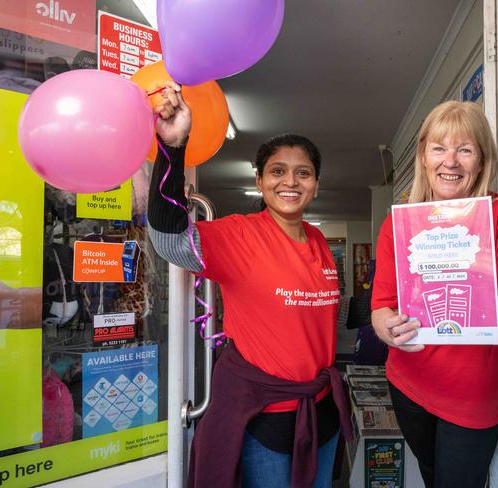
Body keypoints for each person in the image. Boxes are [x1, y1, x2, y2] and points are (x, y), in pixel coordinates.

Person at [147, 82, 351, 488]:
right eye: (277, 171)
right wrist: (173, 146)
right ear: (259, 180)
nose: (290, 181)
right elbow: (168, 237)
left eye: (303, 173)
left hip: (322, 413)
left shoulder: (319, 242)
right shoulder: (240, 235)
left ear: (316, 185)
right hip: (266, 418)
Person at [370, 100, 498, 488]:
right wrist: (386, 327)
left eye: (465, 149)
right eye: (440, 148)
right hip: (408, 385)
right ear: (424, 156)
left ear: (481, 160)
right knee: (432, 478)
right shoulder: (400, 224)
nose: (451, 162)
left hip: (472, 397)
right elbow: (380, 306)